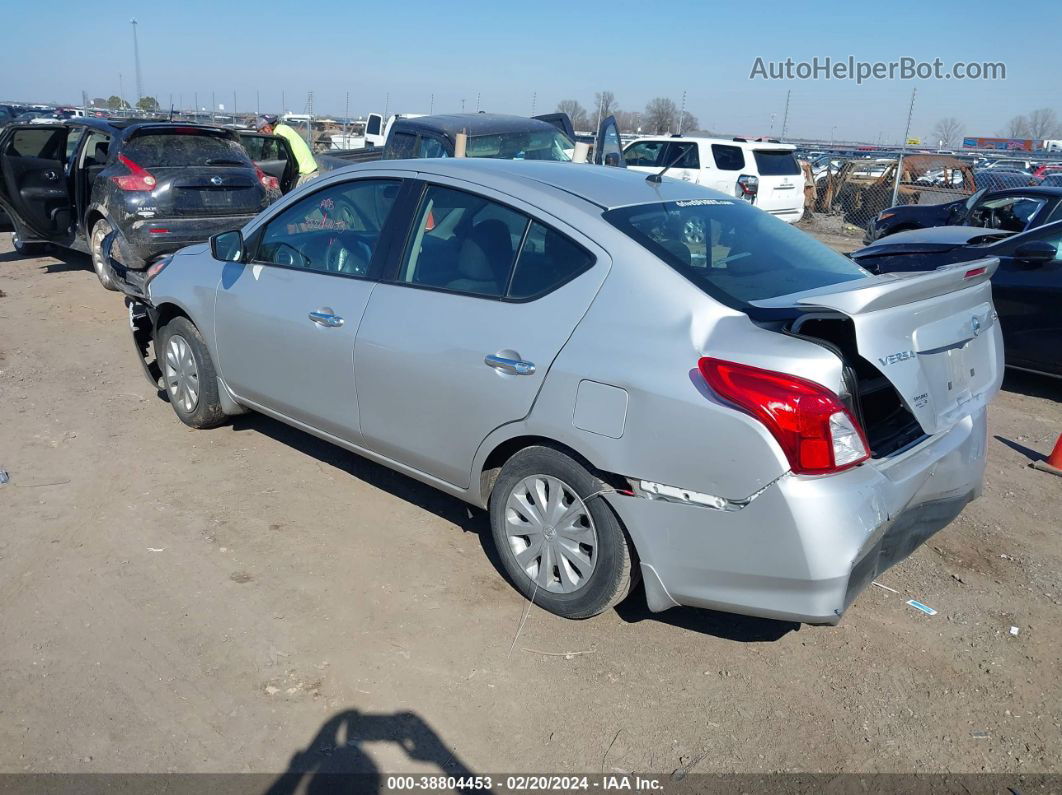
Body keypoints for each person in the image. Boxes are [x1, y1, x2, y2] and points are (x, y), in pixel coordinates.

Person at [256, 114, 319, 187]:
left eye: (260, 132)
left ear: (267, 128)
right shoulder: (282, 129)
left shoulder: (279, 133)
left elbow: (284, 155)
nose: (263, 135)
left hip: (306, 174)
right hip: (307, 171)